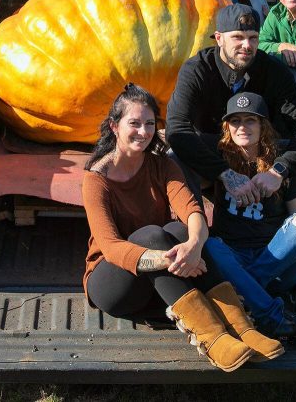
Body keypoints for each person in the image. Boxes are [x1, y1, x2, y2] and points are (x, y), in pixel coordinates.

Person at [82, 84, 284, 371]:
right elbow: (111, 247)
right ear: (115, 126)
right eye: (134, 123)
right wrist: (171, 257)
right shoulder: (96, 179)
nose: (143, 131)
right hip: (114, 283)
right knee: (154, 235)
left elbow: (192, 210)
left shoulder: (163, 165)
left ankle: (241, 328)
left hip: (160, 279)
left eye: (150, 123)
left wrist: (193, 246)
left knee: (180, 232)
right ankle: (212, 338)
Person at [204, 92, 296, 354]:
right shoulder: (216, 159)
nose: (242, 127)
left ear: (264, 126)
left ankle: (248, 295)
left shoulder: (283, 163)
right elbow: (182, 143)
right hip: (233, 259)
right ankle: (271, 313)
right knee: (211, 246)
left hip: (276, 265)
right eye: (235, 121)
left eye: (251, 120)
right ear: (226, 127)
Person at [166, 3, 296, 209]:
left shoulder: (274, 70)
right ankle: (195, 230)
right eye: (238, 37)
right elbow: (177, 128)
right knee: (175, 157)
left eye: (253, 38)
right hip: (214, 151)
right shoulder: (196, 70)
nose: (247, 45)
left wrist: (280, 170)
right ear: (219, 38)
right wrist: (224, 173)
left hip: (263, 151)